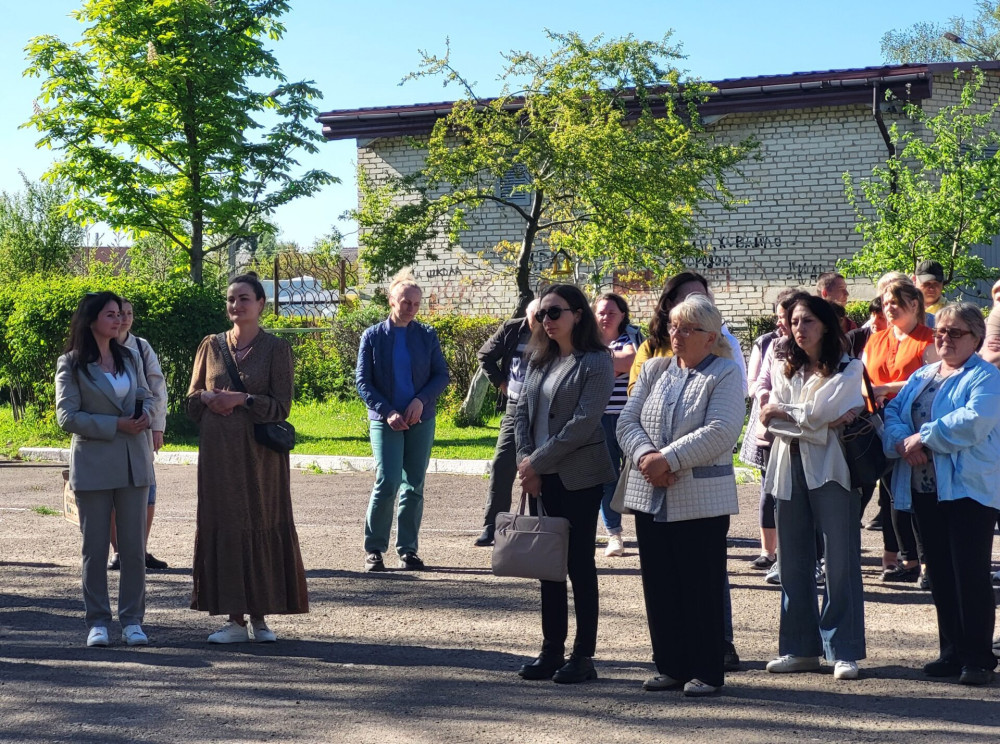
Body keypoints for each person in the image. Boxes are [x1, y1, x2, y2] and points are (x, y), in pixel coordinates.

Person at [617, 295, 744, 697]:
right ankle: (670, 666)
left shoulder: (725, 373)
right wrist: (645, 457)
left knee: (700, 586)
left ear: (710, 337)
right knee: (660, 584)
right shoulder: (655, 369)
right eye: (674, 326)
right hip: (650, 494)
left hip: (700, 499)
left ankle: (706, 670)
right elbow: (627, 420)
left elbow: (721, 431)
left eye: (689, 329)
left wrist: (666, 460)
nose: (678, 334)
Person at [187, 272, 308, 643]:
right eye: (231, 299)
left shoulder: (276, 348)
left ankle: (261, 617)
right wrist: (208, 399)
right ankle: (235, 621)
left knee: (260, 522)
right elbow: (191, 401)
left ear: (260, 304)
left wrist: (242, 399)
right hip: (219, 457)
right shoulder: (210, 345)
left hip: (261, 460)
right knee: (226, 524)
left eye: (244, 298)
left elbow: (282, 406)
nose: (236, 305)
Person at [883, 303, 1000, 686]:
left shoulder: (986, 377)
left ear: (976, 338)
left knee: (970, 573)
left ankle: (977, 658)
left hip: (968, 490)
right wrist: (903, 442)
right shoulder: (923, 375)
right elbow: (893, 413)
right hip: (923, 488)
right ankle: (951, 651)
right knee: (940, 572)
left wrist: (923, 438)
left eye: (955, 332)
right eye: (941, 332)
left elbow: (973, 421)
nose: (945, 338)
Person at [761, 294, 866, 681]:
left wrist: (790, 415)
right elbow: (773, 418)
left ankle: (843, 649)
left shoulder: (849, 367)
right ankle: (800, 648)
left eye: (807, 321)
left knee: (840, 561)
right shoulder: (782, 365)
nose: (798, 328)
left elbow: (822, 412)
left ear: (825, 325)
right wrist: (811, 421)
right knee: (792, 561)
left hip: (832, 470)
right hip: (786, 468)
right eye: (793, 322)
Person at [513, 284, 614, 684]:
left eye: (555, 312)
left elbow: (583, 424)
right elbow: (520, 413)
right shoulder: (539, 358)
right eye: (542, 314)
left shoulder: (596, 361)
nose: (547, 320)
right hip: (540, 476)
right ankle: (551, 650)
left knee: (578, 565)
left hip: (579, 477)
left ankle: (583, 656)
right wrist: (527, 462)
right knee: (548, 566)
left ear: (578, 314)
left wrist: (535, 462)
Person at [55, 291, 153, 647]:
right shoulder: (71, 363)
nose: (119, 319)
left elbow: (146, 394)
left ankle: (132, 621)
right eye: (110, 314)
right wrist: (116, 425)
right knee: (95, 550)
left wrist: (145, 415)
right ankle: (97, 622)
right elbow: (67, 416)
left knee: (133, 550)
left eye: (120, 314)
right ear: (92, 319)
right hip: (94, 465)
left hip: (134, 462)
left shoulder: (130, 355)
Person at [356, 270, 449, 571]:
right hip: (386, 420)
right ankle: (374, 549)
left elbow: (441, 375)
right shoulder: (372, 336)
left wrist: (421, 401)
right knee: (388, 480)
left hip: (421, 419)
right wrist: (387, 411)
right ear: (392, 300)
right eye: (406, 302)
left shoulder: (427, 335)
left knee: (414, 483)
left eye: (416, 304)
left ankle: (408, 550)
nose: (411, 308)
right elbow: (363, 382)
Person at [862, 279, 938, 584]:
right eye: (885, 302)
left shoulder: (928, 338)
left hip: (917, 425)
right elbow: (863, 378)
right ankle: (906, 560)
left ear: (914, 304)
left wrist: (886, 388)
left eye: (895, 302)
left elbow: (933, 379)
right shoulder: (876, 339)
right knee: (891, 495)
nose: (888, 308)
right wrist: (872, 393)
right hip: (879, 424)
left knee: (919, 495)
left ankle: (928, 563)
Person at [742, 289, 803, 572]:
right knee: (771, 491)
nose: (779, 323)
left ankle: (801, 554)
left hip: (801, 431)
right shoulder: (773, 344)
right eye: (778, 317)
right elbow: (759, 381)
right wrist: (764, 395)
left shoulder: (817, 345)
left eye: (783, 317)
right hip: (771, 430)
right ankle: (771, 553)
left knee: (797, 494)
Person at [108, 299, 168, 572]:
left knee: (148, 491)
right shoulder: (97, 349)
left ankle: (139, 550)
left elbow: (157, 388)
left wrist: (157, 427)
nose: (124, 318)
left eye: (129, 313)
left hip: (141, 431)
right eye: (119, 313)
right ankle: (119, 552)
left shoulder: (141, 348)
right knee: (112, 493)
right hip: (110, 434)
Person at [473, 298, 539, 547]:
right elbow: (485, 355)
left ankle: (544, 525)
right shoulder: (511, 328)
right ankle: (492, 526)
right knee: (502, 464)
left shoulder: (556, 330)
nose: (541, 323)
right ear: (527, 315)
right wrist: (501, 383)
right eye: (535, 318)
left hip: (545, 409)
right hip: (515, 407)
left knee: (543, 465)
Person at [628, 271, 747, 397]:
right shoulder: (651, 347)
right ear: (669, 304)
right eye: (689, 298)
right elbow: (636, 393)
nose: (696, 305)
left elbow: (737, 389)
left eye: (702, 298)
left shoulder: (722, 344)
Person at [594, 293, 640, 557]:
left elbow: (631, 362)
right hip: (599, 419)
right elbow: (619, 363)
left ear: (623, 314)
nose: (606, 317)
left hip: (630, 418)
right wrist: (616, 361)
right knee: (608, 477)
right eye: (601, 312)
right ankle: (614, 535)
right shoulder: (587, 341)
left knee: (639, 476)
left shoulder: (633, 336)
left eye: (611, 312)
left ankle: (649, 532)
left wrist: (604, 362)